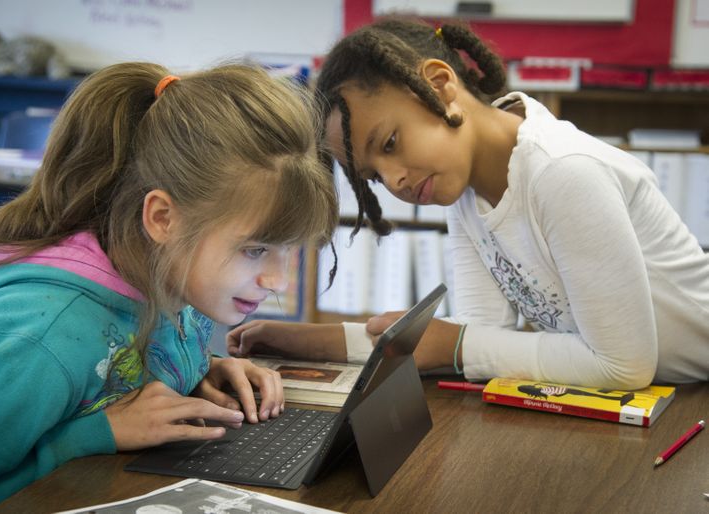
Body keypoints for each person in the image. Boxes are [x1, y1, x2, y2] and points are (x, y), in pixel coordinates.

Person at [0, 62, 338, 513]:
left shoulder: (167, 278)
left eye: (288, 250)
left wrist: (200, 372)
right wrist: (86, 439)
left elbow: (126, 368)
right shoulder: (36, 340)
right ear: (163, 219)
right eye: (255, 249)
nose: (278, 280)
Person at [227, 17, 709, 389]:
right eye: (373, 175)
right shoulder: (465, 195)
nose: (393, 179)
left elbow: (623, 365)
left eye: (390, 142)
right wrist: (301, 339)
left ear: (440, 86)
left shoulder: (563, 171)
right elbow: (477, 335)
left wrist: (452, 343)